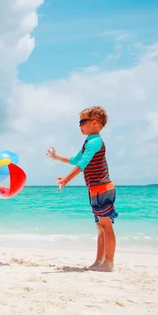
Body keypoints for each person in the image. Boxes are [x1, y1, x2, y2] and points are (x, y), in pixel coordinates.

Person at [46, 106, 118, 272]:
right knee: (100, 229)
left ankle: (109, 262)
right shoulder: (88, 142)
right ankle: (99, 261)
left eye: (82, 122)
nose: (80, 126)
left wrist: (66, 179)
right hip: (95, 190)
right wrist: (56, 157)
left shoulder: (95, 141)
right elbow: (74, 160)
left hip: (102, 188)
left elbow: (82, 164)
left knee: (106, 227)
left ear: (95, 122)